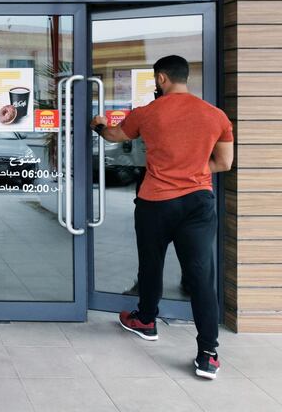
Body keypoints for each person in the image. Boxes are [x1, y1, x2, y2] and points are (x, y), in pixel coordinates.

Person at [90, 55, 233, 380]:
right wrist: (193, 170)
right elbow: (224, 163)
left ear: (162, 79)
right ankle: (208, 355)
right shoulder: (216, 116)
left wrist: (97, 123)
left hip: (156, 202)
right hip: (198, 202)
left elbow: (114, 136)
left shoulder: (148, 112)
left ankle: (147, 320)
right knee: (200, 276)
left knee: (151, 264)